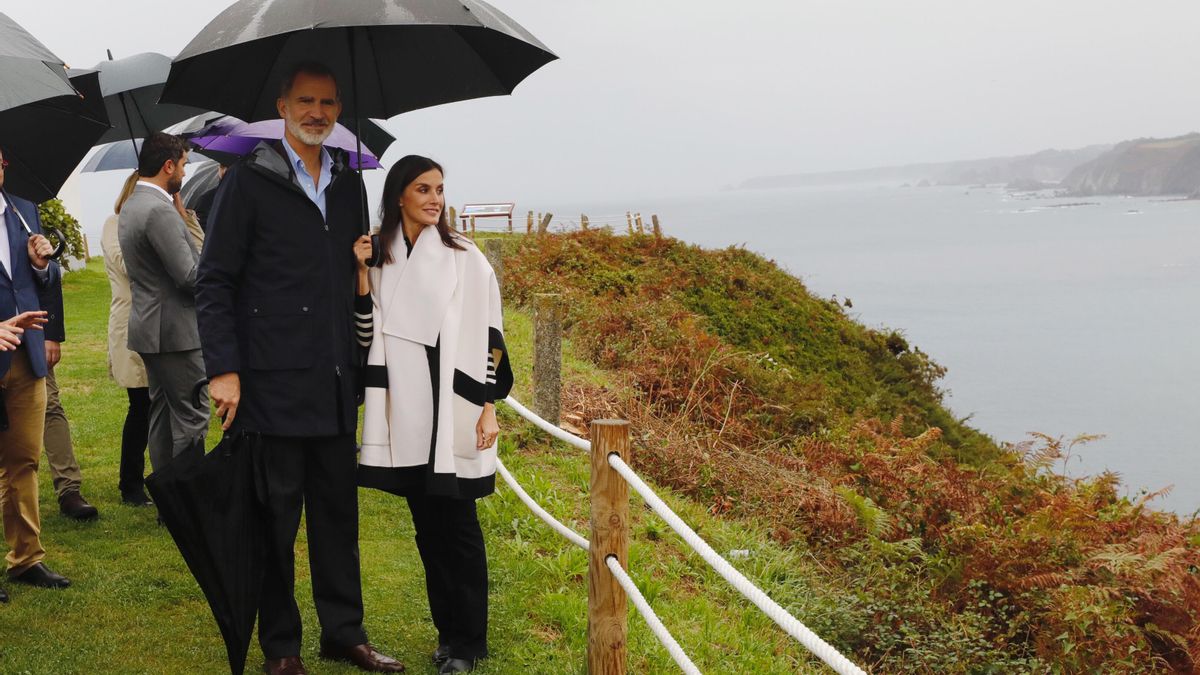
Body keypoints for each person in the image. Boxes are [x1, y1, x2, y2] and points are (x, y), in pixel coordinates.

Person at [197, 62, 402, 675]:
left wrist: (359, 265)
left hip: (335, 380)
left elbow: (347, 278)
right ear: (283, 106)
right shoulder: (248, 182)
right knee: (276, 522)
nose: (318, 112)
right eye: (306, 101)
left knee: (338, 518)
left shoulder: (348, 183)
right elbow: (215, 281)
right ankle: (282, 647)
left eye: (329, 103)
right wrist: (224, 370)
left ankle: (344, 633)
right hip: (271, 383)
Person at [355, 156, 513, 674]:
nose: (435, 198)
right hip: (406, 407)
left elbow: (491, 334)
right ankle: (448, 635)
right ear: (399, 194)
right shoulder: (377, 254)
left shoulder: (465, 256)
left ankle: (467, 644)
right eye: (423, 188)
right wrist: (360, 273)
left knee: (460, 530)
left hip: (456, 407)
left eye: (441, 189)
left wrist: (489, 406)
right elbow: (363, 336)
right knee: (428, 530)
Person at [0, 144, 73, 600]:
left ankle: (26, 558)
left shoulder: (23, 208)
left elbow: (39, 283)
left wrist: (44, 266)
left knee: (23, 460)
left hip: (24, 357)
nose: (1, 165)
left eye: (2, 158)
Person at [118, 133, 209, 474]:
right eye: (183, 165)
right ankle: (189, 498)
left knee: (163, 413)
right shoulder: (158, 210)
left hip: (150, 327)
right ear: (168, 165)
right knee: (192, 414)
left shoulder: (132, 204)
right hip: (175, 332)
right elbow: (188, 275)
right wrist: (220, 278)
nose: (184, 174)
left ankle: (169, 499)